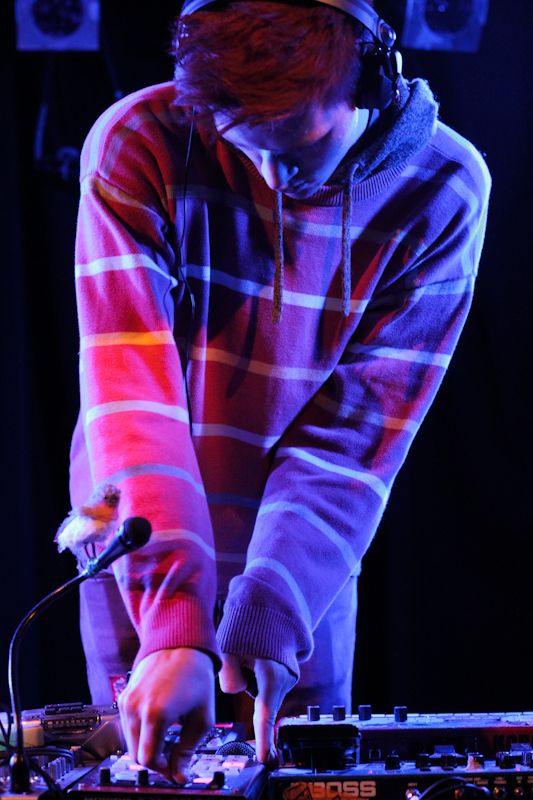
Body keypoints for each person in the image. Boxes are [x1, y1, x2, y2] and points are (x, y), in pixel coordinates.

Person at [67, 0, 491, 785]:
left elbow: (356, 437)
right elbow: (133, 396)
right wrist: (172, 628)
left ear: (371, 77)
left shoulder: (443, 190)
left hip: (305, 554)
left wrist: (274, 603)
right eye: (242, 147)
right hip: (135, 524)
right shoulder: (139, 141)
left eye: (296, 150)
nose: (269, 178)